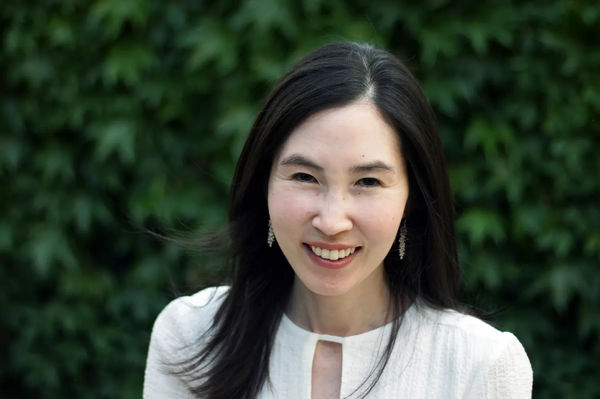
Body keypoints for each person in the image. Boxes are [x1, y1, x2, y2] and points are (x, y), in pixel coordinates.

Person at [143, 42, 533, 399]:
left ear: (411, 198)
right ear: (264, 184)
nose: (331, 222)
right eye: (305, 178)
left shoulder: (479, 365)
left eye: (367, 181)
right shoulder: (191, 336)